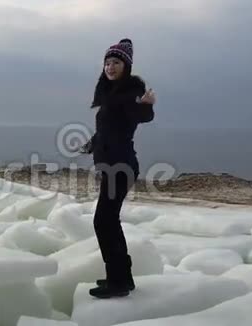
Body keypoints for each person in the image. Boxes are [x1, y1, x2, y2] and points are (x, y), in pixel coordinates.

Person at [80, 38, 155, 299]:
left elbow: (140, 116)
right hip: (111, 166)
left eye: (116, 62)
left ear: (126, 65)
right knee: (108, 221)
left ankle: (119, 281)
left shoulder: (131, 91)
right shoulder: (110, 94)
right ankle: (121, 278)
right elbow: (109, 128)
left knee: (104, 221)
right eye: (107, 62)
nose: (110, 67)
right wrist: (92, 144)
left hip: (121, 166)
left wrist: (147, 105)